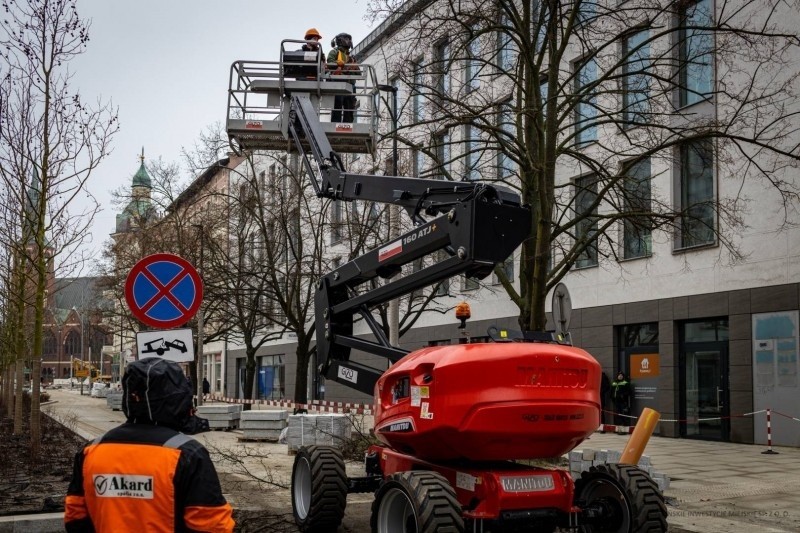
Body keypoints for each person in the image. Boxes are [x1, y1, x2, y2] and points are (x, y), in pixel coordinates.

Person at [64, 357, 234, 532]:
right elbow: (212, 525)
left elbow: (75, 517)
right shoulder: (188, 455)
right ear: (179, 399)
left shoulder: (91, 451)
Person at [326, 32, 359, 123]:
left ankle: (348, 126)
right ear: (340, 40)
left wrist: (354, 67)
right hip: (338, 84)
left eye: (349, 39)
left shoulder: (351, 58)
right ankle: (335, 124)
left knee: (349, 108)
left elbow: (359, 74)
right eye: (347, 39)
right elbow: (329, 63)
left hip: (350, 85)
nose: (349, 41)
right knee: (338, 105)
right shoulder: (334, 52)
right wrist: (338, 64)